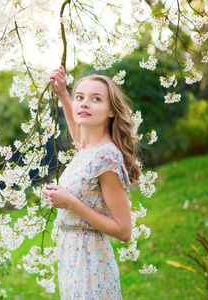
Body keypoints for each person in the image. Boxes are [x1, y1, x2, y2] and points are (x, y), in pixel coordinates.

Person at [42, 66, 140, 299]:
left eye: (96, 99)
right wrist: (64, 95)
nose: (84, 104)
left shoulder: (106, 156)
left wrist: (71, 202)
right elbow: (79, 137)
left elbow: (124, 230)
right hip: (71, 255)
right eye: (80, 98)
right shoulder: (89, 149)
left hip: (90, 260)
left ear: (111, 111)